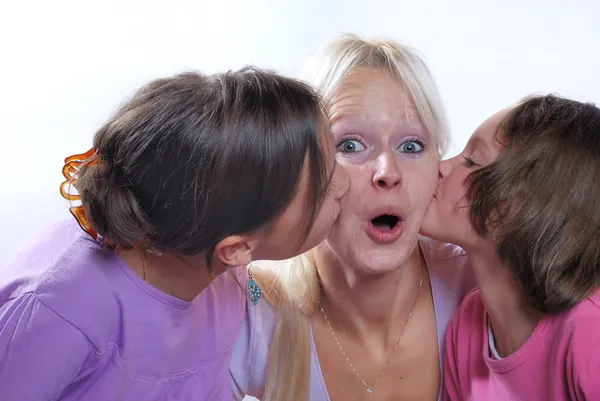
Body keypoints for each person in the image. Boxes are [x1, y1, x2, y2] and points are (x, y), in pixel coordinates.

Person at [0, 67, 349, 401]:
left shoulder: (224, 279)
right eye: (322, 188)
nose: (344, 184)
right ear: (237, 248)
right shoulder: (60, 310)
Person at [230, 34, 475, 401]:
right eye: (350, 145)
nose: (387, 171)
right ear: (304, 165)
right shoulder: (252, 306)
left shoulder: (479, 284)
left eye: (411, 146)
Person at [421, 94, 600, 400]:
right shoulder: (466, 327)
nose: (440, 167)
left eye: (471, 160)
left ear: (532, 204)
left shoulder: (590, 333)